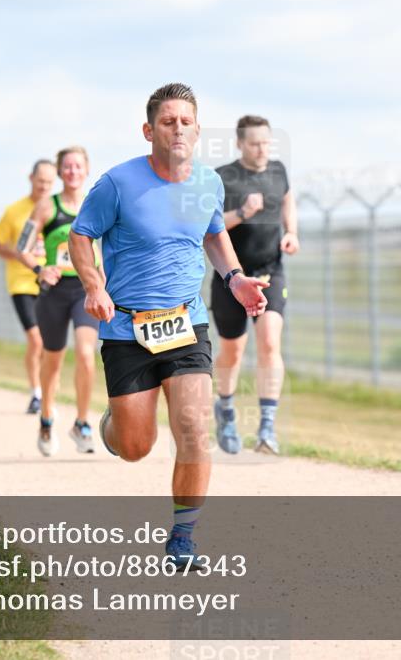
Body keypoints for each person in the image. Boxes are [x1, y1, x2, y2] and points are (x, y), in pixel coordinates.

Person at [69, 83, 268, 567]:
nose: (177, 129)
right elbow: (81, 235)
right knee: (136, 447)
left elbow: (215, 235)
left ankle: (182, 538)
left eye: (185, 122)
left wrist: (236, 278)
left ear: (197, 131)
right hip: (126, 328)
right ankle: (113, 425)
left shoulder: (208, 184)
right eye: (167, 121)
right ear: (148, 130)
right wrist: (95, 287)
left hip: (186, 324)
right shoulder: (117, 183)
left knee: (194, 429)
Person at [211, 115, 299, 455]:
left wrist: (291, 232)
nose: (262, 149)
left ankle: (267, 428)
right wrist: (243, 213)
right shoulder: (224, 177)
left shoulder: (278, 171)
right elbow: (212, 226)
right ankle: (227, 411)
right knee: (232, 352)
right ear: (239, 144)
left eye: (266, 142)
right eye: (254, 143)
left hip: (269, 272)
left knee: (269, 344)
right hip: (231, 277)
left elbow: (288, 199)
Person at [21, 146, 100, 456]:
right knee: (52, 360)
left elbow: (104, 246)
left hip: (85, 290)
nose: (72, 172)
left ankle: (82, 423)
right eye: (67, 167)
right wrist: (41, 268)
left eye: (78, 166)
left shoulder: (96, 205)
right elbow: (22, 247)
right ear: (59, 171)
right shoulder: (46, 207)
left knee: (85, 353)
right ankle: (47, 417)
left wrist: (102, 280)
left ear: (87, 169)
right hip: (54, 292)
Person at [0, 159, 57, 414]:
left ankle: (49, 389)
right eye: (40, 181)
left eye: (49, 182)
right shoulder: (14, 211)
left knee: (49, 342)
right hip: (21, 281)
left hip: (50, 280)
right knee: (35, 338)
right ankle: (36, 393)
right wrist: (21, 253)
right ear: (31, 178)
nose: (44, 186)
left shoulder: (55, 209)